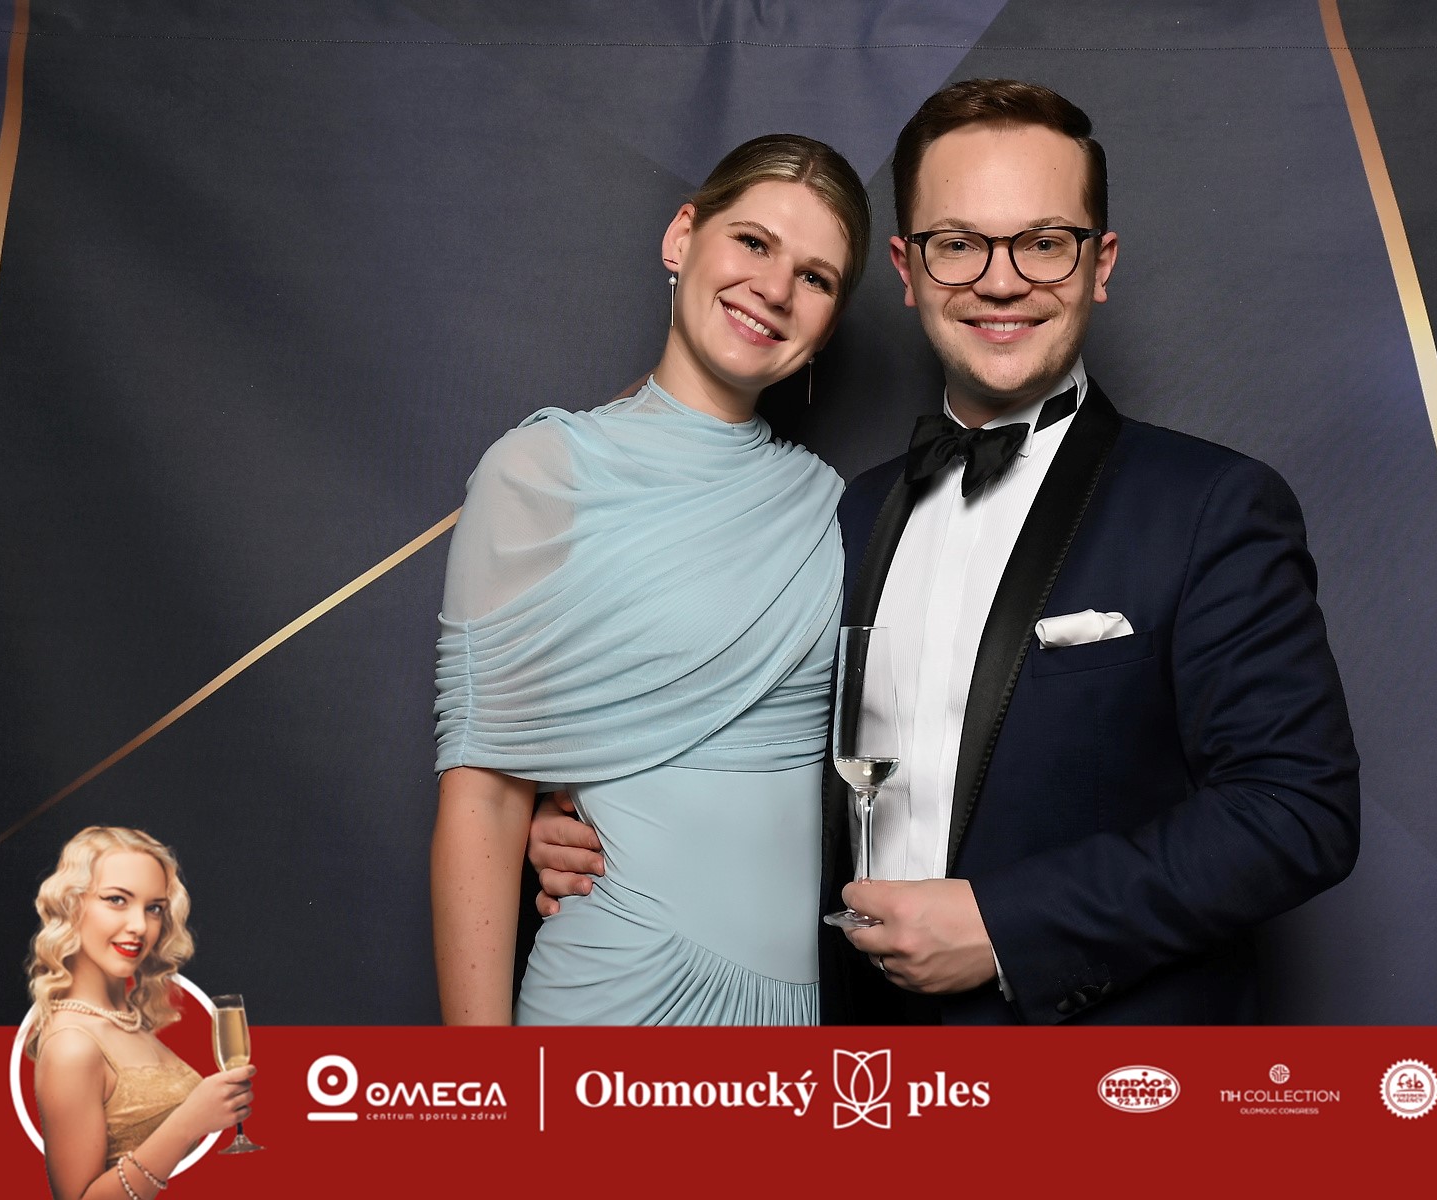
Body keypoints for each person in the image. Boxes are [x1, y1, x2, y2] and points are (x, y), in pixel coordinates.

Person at [531, 80, 1360, 1025]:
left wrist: (1007, 926)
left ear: (1099, 262)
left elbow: (1298, 811)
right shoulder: (846, 513)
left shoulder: (1211, 506)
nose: (1000, 282)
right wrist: (596, 831)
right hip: (855, 1072)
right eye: (958, 244)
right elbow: (757, 756)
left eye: (1043, 242)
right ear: (908, 268)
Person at [429, 134, 873, 1025]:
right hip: (619, 993)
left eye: (815, 277)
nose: (774, 288)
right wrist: (484, 1091)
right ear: (682, 238)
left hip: (810, 1018)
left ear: (829, 322)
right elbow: (482, 803)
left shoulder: (838, 508)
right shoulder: (543, 472)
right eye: (752, 242)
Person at [26, 827, 254, 1199]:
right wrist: (187, 1123)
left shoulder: (129, 1020)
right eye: (117, 900)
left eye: (154, 909)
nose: (139, 927)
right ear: (71, 904)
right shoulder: (72, 1046)